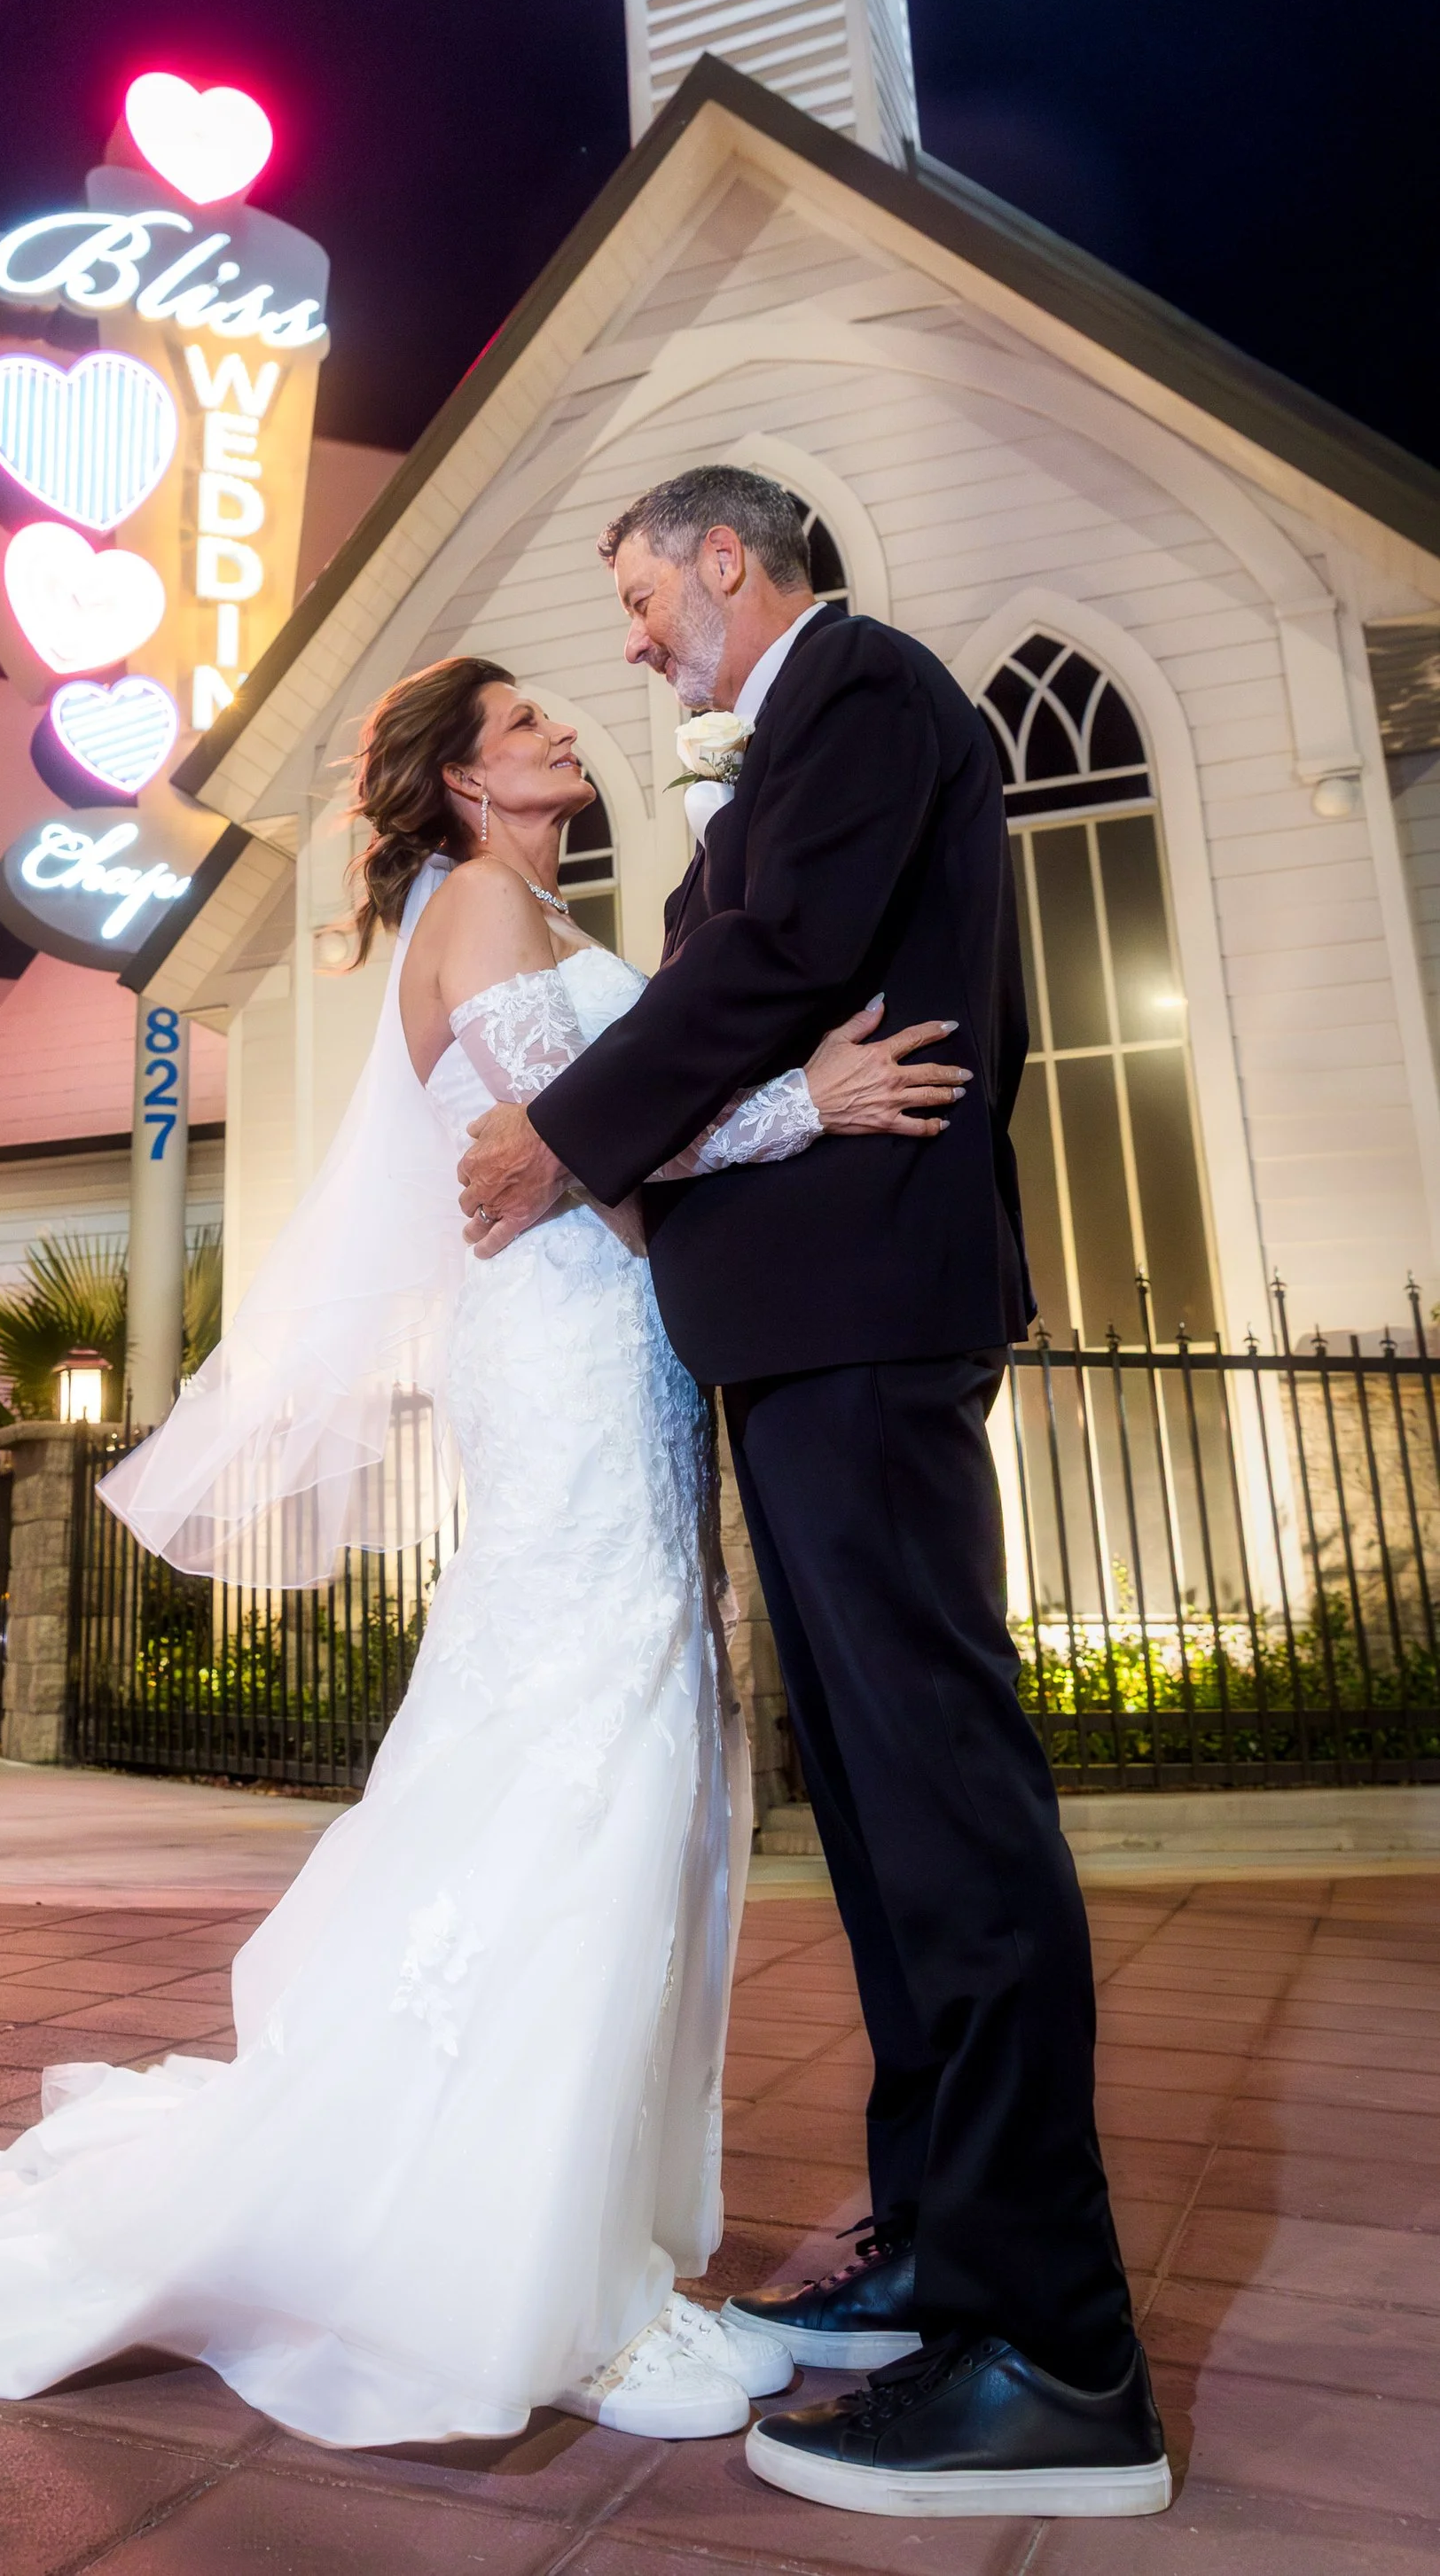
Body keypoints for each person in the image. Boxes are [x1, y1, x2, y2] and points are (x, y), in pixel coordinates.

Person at [0, 653, 959, 2450]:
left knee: (630, 1757)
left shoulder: (527, 906)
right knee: (577, 1760)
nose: (562, 734)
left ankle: (584, 2221)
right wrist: (798, 1106)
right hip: (570, 1363)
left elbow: (605, 1124)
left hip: (626, 1366)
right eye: (523, 725)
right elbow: (599, 1159)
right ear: (461, 780)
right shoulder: (474, 922)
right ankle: (539, 2278)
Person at [458, 465, 1169, 2523]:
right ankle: (949, 2243)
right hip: (804, 1325)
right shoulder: (801, 727)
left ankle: (1056, 2351)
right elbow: (754, 971)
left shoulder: (863, 688)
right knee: (879, 1817)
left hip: (866, 1309)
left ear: (725, 558)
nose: (632, 634)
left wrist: (567, 1137)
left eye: (638, 590)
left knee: (946, 1805)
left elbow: (773, 956)